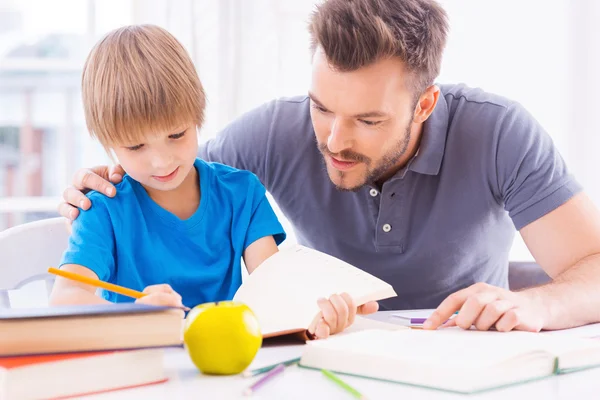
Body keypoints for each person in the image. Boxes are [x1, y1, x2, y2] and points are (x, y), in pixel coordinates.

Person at [59, 0, 600, 333]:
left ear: (425, 105)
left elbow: (592, 264)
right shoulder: (271, 134)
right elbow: (171, 176)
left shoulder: (499, 131)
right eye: (321, 107)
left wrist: (541, 305)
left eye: (367, 120)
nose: (334, 140)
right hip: (331, 362)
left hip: (463, 362)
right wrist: (91, 191)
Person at [50, 24, 374, 340]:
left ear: (197, 115)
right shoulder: (103, 207)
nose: (162, 161)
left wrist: (320, 313)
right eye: (136, 147)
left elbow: (274, 287)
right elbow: (65, 299)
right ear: (108, 143)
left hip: (223, 369)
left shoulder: (241, 194)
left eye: (176, 135)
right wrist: (131, 316)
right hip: (138, 371)